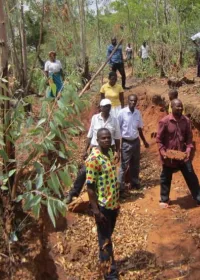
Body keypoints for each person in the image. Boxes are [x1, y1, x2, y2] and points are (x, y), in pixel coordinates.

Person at [156, 99, 200, 208]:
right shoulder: (164, 121)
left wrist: (188, 151)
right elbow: (159, 139)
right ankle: (164, 199)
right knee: (165, 177)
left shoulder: (186, 121)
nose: (180, 108)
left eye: (181, 106)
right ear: (171, 107)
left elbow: (189, 139)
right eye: (177, 106)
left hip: (182, 155)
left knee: (191, 176)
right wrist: (163, 152)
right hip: (169, 156)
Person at [64, 99, 121, 204]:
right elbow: (90, 135)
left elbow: (117, 137)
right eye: (105, 106)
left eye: (109, 106)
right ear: (100, 108)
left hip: (109, 149)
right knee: (85, 171)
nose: (107, 108)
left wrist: (117, 151)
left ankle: (107, 196)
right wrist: (85, 150)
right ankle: (73, 193)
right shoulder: (95, 118)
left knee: (106, 172)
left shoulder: (114, 120)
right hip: (95, 148)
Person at [85, 128, 120, 280]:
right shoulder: (94, 159)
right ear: (97, 140)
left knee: (106, 237)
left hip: (113, 205)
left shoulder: (110, 153)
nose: (106, 140)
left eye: (108, 138)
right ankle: (110, 275)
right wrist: (96, 212)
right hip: (103, 207)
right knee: (105, 240)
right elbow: (90, 187)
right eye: (103, 138)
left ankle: (104, 263)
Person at [118, 94, 149, 194]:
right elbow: (118, 129)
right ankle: (120, 187)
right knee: (123, 165)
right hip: (126, 143)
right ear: (128, 101)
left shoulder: (137, 113)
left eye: (135, 101)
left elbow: (139, 128)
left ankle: (135, 182)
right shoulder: (122, 113)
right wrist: (118, 146)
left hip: (136, 142)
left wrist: (144, 141)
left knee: (135, 164)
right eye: (131, 100)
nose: (133, 103)